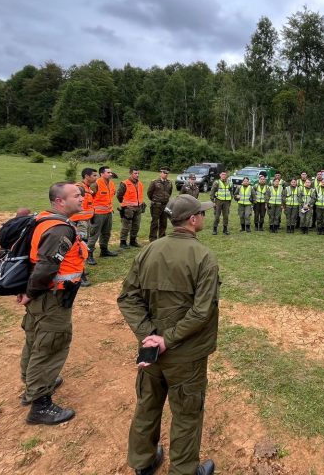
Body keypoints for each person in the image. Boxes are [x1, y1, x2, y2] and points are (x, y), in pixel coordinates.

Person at [117, 195, 218, 475]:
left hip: (151, 351)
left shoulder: (148, 251)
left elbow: (127, 298)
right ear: (193, 219)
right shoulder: (204, 257)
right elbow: (201, 312)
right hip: (185, 354)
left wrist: (149, 336)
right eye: (202, 214)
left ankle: (143, 462)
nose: (204, 218)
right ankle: (184, 470)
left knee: (147, 405)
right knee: (186, 414)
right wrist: (166, 339)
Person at [18, 182, 87, 425]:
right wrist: (30, 291)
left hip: (41, 295)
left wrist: (29, 291)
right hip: (51, 297)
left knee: (35, 339)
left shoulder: (44, 219)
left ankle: (32, 385)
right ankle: (40, 404)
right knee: (50, 346)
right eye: (76, 195)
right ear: (60, 201)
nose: (81, 198)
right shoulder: (60, 230)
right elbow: (47, 266)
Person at [88, 166, 118, 259]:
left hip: (108, 212)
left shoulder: (112, 184)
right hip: (98, 214)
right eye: (108, 172)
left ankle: (104, 250)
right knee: (94, 234)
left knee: (106, 233)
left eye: (111, 172)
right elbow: (89, 197)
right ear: (102, 174)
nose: (110, 174)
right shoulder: (95, 184)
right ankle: (89, 254)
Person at [70, 167, 96, 271]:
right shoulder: (78, 188)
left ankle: (81, 270)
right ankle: (80, 272)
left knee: (83, 245)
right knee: (80, 246)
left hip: (86, 221)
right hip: (79, 222)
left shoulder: (88, 188)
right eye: (94, 175)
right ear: (86, 176)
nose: (96, 177)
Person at [117, 167, 145, 249]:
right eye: (135, 173)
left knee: (136, 225)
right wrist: (124, 204)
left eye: (138, 173)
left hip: (138, 207)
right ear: (130, 174)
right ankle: (123, 242)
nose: (137, 175)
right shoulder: (124, 183)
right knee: (126, 226)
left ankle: (133, 241)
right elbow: (119, 195)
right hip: (128, 208)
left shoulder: (140, 183)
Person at [148, 167, 173, 242]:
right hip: (156, 205)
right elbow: (149, 193)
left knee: (164, 222)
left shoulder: (169, 183)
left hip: (165, 205)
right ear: (161, 173)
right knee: (154, 222)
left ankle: (162, 237)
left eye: (167, 173)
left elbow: (169, 193)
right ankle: (153, 238)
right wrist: (155, 200)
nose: (166, 174)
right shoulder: (154, 182)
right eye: (164, 173)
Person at [209, 171, 232, 236]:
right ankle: (215, 229)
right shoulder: (217, 182)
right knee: (217, 216)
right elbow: (212, 192)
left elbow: (231, 192)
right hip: (218, 201)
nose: (224, 176)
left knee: (226, 216)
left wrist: (230, 199)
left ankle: (225, 229)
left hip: (226, 202)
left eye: (225, 174)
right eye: (222, 174)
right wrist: (213, 201)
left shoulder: (229, 183)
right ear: (220, 175)